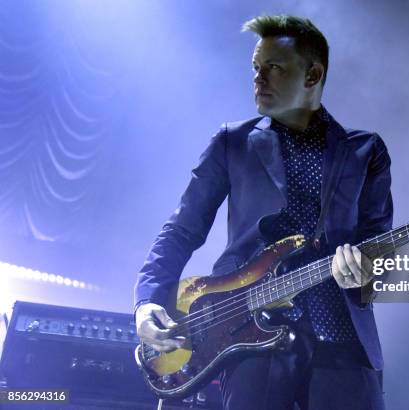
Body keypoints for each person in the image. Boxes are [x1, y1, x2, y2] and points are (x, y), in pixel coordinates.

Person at [134, 14, 392, 410]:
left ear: (313, 74)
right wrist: (148, 300)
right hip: (249, 337)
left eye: (273, 67)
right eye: (257, 67)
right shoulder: (231, 142)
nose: (259, 78)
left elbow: (380, 249)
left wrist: (367, 269)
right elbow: (182, 229)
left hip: (341, 340)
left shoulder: (364, 150)